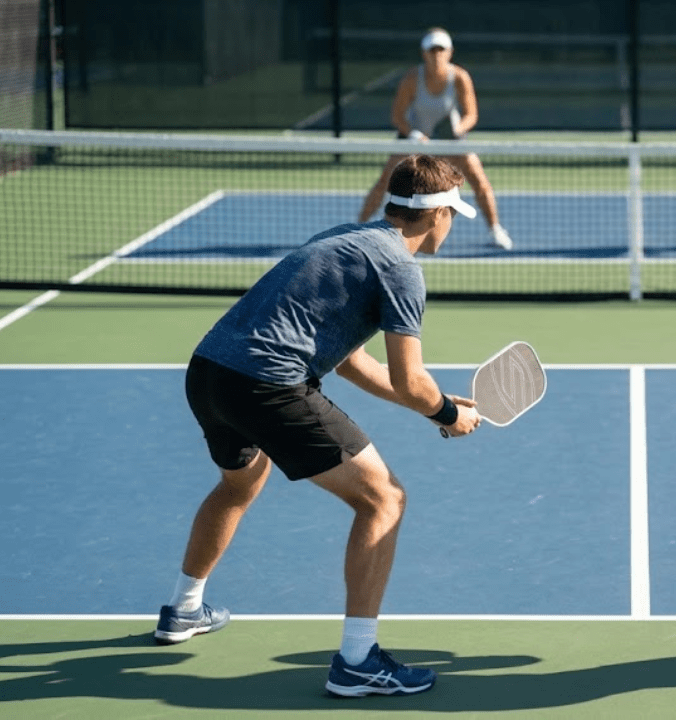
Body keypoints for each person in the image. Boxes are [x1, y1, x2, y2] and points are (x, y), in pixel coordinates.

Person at [156, 154, 484, 698]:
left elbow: (352, 362)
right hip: (269, 384)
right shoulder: (401, 268)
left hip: (211, 373)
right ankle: (357, 661)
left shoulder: (349, 237)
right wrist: (447, 414)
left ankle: (183, 609)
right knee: (384, 500)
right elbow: (409, 378)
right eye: (452, 214)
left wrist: (432, 406)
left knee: (240, 482)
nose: (451, 225)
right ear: (437, 215)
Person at [357, 27, 514, 251]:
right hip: (415, 140)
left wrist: (457, 129)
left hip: (451, 142)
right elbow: (397, 115)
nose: (437, 55)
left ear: (450, 52)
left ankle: (496, 229)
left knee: (479, 179)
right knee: (385, 180)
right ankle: (358, 228)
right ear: (424, 54)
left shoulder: (459, 77)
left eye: (441, 50)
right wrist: (414, 134)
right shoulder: (412, 78)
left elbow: (471, 114)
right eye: (432, 51)